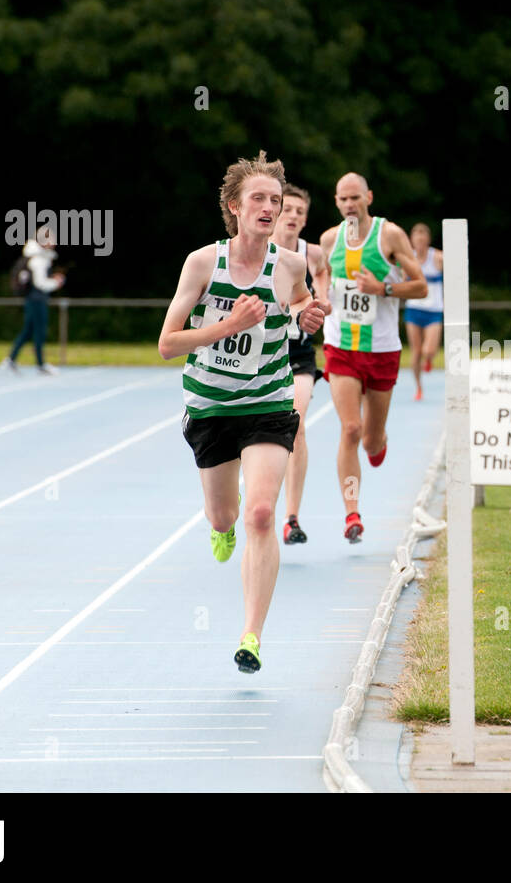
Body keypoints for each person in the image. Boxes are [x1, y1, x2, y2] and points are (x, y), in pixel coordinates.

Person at [158, 150, 328, 673]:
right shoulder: (203, 263)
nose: (269, 208)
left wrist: (308, 314)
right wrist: (226, 327)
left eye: (276, 201)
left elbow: (299, 301)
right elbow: (168, 343)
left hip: (268, 402)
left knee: (260, 514)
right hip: (210, 405)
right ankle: (219, 523)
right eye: (258, 198)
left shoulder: (291, 264)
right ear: (234, 206)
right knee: (226, 514)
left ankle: (250, 635)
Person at [320, 172, 426, 542]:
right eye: (342, 199)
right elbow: (323, 283)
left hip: (381, 348)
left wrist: (382, 287)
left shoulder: (390, 235)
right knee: (350, 428)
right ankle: (352, 514)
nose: (349, 205)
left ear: (368, 197)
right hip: (341, 347)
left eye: (355, 198)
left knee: (370, 440)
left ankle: (377, 443)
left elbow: (421, 286)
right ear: (336, 202)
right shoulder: (329, 240)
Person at [271, 183, 331, 545]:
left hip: (299, 357)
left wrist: (322, 300)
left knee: (296, 423)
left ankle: (291, 517)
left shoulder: (313, 254)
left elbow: (323, 276)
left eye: (300, 211)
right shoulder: (260, 252)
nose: (293, 216)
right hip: (261, 358)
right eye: (287, 209)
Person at [1, 226, 66, 375]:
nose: (54, 241)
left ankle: (11, 359)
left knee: (28, 330)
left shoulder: (40, 256)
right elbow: (40, 283)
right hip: (37, 299)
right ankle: (40, 364)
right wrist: (56, 283)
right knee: (39, 331)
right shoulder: (38, 259)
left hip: (33, 299)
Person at [402, 222, 443, 400]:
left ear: (427, 239)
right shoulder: (407, 259)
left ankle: (429, 359)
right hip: (414, 309)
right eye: (416, 236)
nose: (419, 240)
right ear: (411, 240)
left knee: (428, 350)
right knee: (416, 352)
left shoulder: (438, 257)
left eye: (422, 236)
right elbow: (401, 282)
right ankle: (418, 388)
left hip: (434, 310)